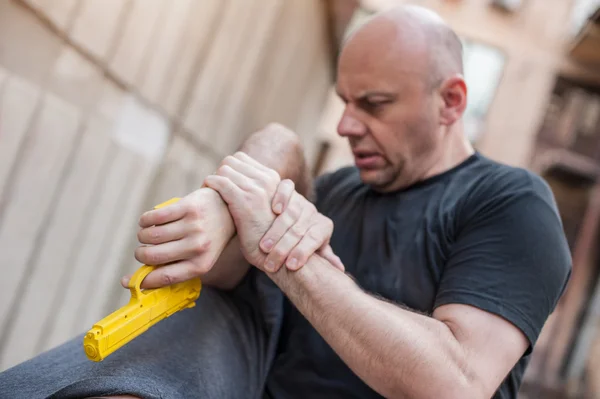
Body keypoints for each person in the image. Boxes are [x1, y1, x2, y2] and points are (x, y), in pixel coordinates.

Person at [0, 5, 571, 399]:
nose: (347, 125)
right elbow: (232, 291)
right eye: (344, 101)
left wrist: (290, 257)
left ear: (451, 101)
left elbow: (459, 382)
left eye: (373, 104)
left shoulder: (511, 204)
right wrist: (225, 207)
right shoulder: (341, 191)